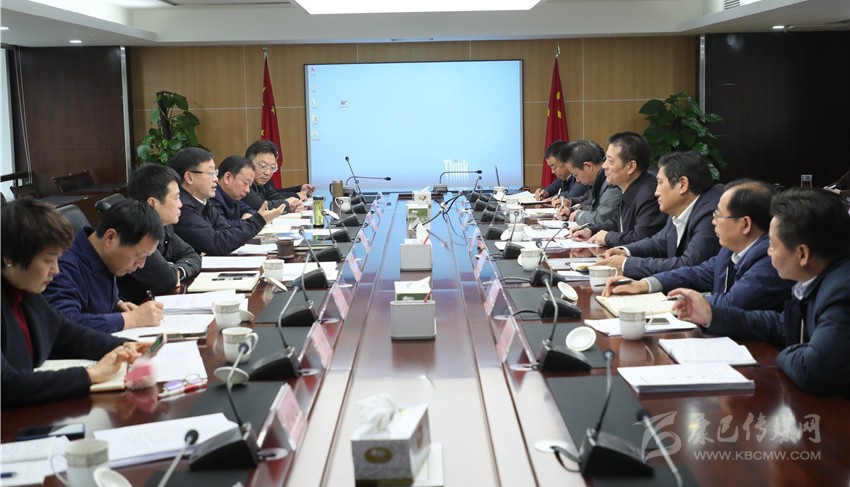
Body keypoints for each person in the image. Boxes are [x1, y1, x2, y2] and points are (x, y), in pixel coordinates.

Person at [670, 188, 850, 396]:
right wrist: (712, 315)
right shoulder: (815, 278)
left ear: (802, 254)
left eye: (773, 245)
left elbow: (812, 369)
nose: (768, 251)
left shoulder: (841, 291)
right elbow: (782, 326)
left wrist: (781, 353)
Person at [2, 200, 149, 408]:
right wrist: (91, 375)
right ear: (9, 257)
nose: (56, 270)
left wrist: (123, 346)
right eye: (48, 260)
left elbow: (66, 334)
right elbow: (7, 385)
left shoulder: (25, 291)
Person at [602, 179, 792, 310]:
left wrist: (676, 302)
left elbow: (732, 303)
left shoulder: (769, 258)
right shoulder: (730, 249)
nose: (713, 222)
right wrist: (644, 284)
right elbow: (697, 273)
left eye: (718, 215)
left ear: (745, 224)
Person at [596, 150, 722, 279]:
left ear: (683, 185)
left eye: (660, 183)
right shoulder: (680, 206)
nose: (656, 192)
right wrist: (624, 251)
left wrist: (626, 264)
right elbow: (658, 242)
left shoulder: (711, 214)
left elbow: (689, 265)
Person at [44, 200, 164, 333]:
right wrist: (131, 319)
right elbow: (64, 325)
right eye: (140, 255)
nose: (141, 264)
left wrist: (116, 305)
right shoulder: (63, 266)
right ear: (110, 237)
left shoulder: (104, 257)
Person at [170, 147, 286, 256]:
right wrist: (259, 220)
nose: (215, 179)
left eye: (215, 173)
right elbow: (217, 244)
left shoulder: (204, 202)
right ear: (189, 177)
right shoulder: (182, 207)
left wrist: (255, 221)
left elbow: (226, 230)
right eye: (210, 173)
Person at [120, 163, 201, 303]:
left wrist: (177, 271)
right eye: (176, 198)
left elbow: (191, 255)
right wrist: (171, 273)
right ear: (152, 203)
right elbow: (167, 281)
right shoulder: (137, 233)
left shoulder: (165, 226)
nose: (180, 204)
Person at [571, 132, 666, 246]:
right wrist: (591, 230)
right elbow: (616, 222)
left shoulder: (650, 195)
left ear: (631, 167)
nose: (604, 166)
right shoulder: (629, 187)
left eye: (610, 161)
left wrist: (608, 237)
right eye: (605, 159)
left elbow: (642, 239)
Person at [556, 140, 622, 232]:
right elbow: (590, 205)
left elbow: (602, 218)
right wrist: (571, 211)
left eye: (575, 175)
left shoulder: (612, 182)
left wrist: (579, 215)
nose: (577, 180)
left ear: (588, 166)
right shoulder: (599, 181)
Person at [243, 140, 314, 213]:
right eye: (263, 166)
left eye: (272, 167)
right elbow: (261, 206)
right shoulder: (243, 183)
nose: (268, 173)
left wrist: (294, 205)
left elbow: (278, 198)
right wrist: (287, 203)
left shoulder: (264, 183)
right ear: (248, 164)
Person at [534, 140, 588, 205]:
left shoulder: (582, 174)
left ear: (565, 162)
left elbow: (573, 195)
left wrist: (552, 198)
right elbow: (553, 186)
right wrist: (544, 193)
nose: (552, 171)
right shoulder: (564, 177)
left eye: (554, 167)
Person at [210, 155, 259, 227]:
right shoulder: (212, 197)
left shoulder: (233, 197)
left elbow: (251, 211)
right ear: (227, 177)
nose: (247, 190)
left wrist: (249, 216)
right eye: (245, 183)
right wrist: (246, 222)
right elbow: (222, 226)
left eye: (250, 185)